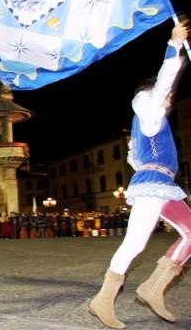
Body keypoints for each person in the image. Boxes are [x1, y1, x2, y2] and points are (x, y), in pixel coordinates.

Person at [89, 22, 190, 329]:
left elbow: (136, 159)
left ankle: (154, 287)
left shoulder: (149, 125)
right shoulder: (148, 111)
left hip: (160, 185)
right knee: (134, 243)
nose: (170, 99)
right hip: (152, 188)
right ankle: (103, 299)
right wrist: (173, 48)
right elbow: (161, 87)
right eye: (165, 96)